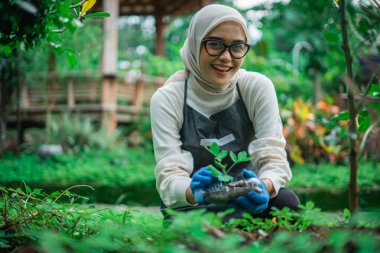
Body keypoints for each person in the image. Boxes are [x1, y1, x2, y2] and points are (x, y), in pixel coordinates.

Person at [150, 4, 300, 220]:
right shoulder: (168, 99)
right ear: (195, 43)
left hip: (246, 200)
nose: (226, 57)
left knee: (287, 204)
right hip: (194, 206)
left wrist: (263, 187)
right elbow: (169, 176)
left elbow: (273, 157)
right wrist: (195, 191)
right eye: (214, 44)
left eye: (237, 47)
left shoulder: (255, 87)